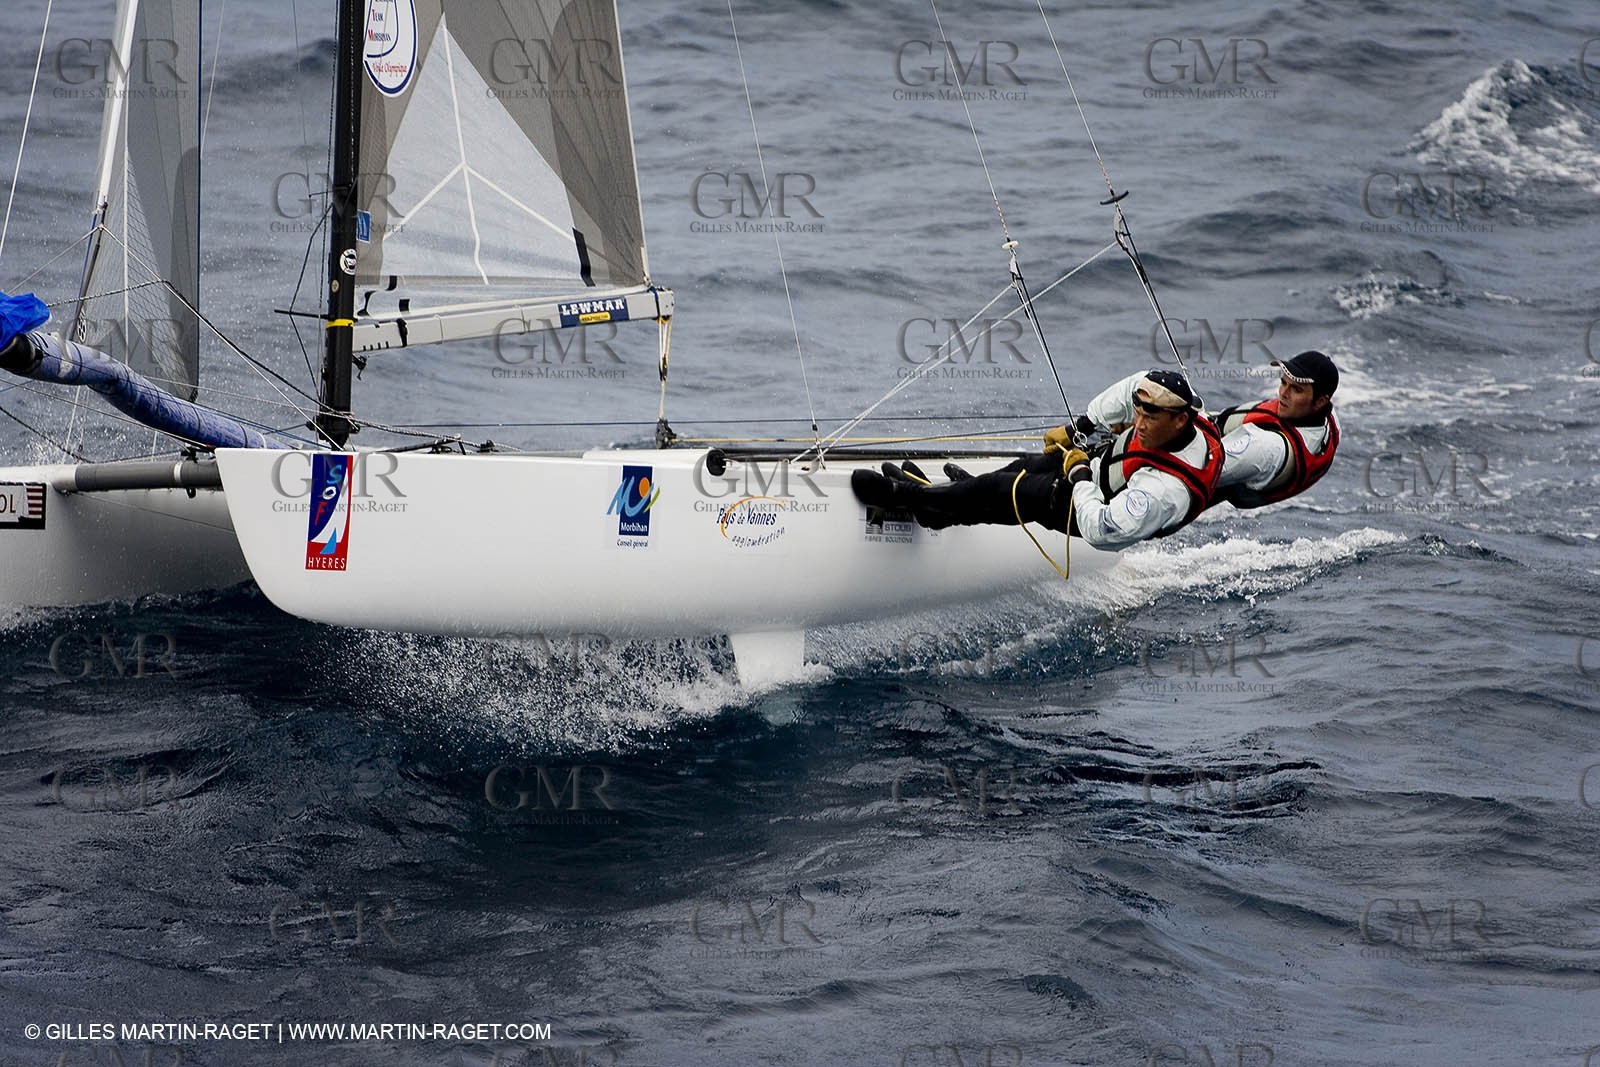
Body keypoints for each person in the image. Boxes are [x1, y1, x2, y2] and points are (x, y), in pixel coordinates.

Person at [851, 368, 1225, 550]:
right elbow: (1134, 386)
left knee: (1005, 488)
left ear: (1179, 420)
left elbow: (1103, 530)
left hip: (1092, 510)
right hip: (1099, 470)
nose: (1138, 422)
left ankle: (908, 498)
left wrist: (1079, 478)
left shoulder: (1161, 492)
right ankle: (953, 504)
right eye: (1138, 412)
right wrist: (1082, 427)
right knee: (1025, 466)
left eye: (1150, 417)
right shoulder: (1189, 411)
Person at [1209, 350, 1340, 509]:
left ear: (1320, 401)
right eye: (1283, 383)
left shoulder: (1267, 447)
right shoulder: (1328, 418)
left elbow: (1199, 470)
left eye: (1296, 389)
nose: (1283, 393)